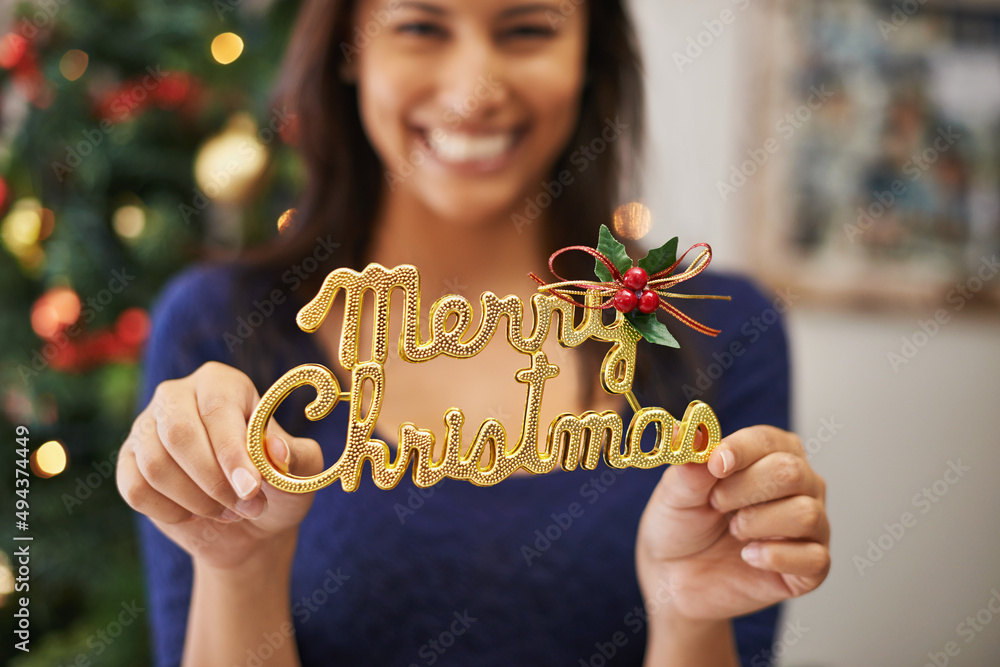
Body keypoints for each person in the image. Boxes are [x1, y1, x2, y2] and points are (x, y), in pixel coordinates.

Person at [117, 0, 831, 665]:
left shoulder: (720, 327)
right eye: (421, 27)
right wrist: (239, 566)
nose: (474, 90)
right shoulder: (219, 327)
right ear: (347, 47)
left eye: (526, 30)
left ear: (590, 53)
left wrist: (689, 617)